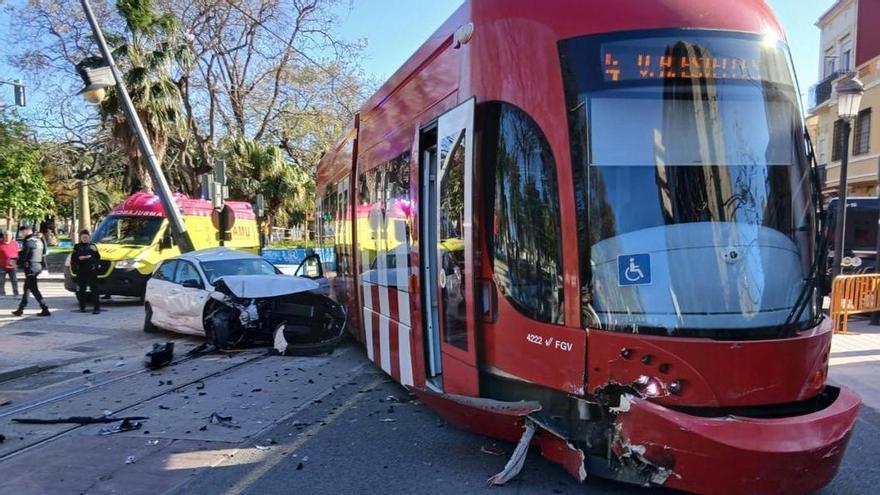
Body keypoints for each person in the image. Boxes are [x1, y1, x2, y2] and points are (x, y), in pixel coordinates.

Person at [12, 225, 50, 317]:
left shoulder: (28, 241)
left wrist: (16, 262)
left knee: (33, 289)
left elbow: (25, 255)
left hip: (31, 267)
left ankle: (45, 308)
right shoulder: (38, 240)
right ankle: (20, 309)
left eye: (22, 232)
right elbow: (44, 252)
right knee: (27, 288)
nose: (22, 234)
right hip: (37, 265)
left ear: (27, 230)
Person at [72, 229, 101, 314]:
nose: (85, 239)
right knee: (82, 289)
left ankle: (96, 308)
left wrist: (95, 251)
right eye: (83, 237)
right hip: (81, 270)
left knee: (94, 289)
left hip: (91, 270)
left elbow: (98, 257)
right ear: (80, 238)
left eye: (86, 237)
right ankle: (82, 307)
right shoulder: (77, 246)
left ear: (89, 237)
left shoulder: (92, 246)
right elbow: (73, 258)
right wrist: (79, 258)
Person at [0, 230, 19, 298]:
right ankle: (2, 293)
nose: (7, 236)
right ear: (3, 235)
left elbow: (17, 253)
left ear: (11, 236)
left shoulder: (15, 243)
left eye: (9, 235)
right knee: (1, 281)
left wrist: (16, 262)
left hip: (12, 264)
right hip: (2, 265)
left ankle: (16, 294)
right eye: (6, 235)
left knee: (14, 280)